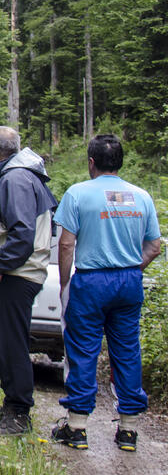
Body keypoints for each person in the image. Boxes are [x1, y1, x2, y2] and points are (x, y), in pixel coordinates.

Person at [50, 135, 162, 452]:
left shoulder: (77, 194)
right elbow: (154, 247)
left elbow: (67, 243)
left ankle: (77, 427)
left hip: (91, 281)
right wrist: (129, 268)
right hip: (128, 282)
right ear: (121, 162)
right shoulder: (142, 197)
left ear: (91, 163)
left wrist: (64, 284)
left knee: (83, 350)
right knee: (126, 351)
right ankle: (128, 431)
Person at [0, 126, 57, 435]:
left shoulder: (16, 179)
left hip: (18, 274)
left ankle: (19, 415)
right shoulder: (20, 175)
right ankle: (11, 407)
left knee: (10, 343)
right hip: (19, 273)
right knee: (3, 342)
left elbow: (23, 236)